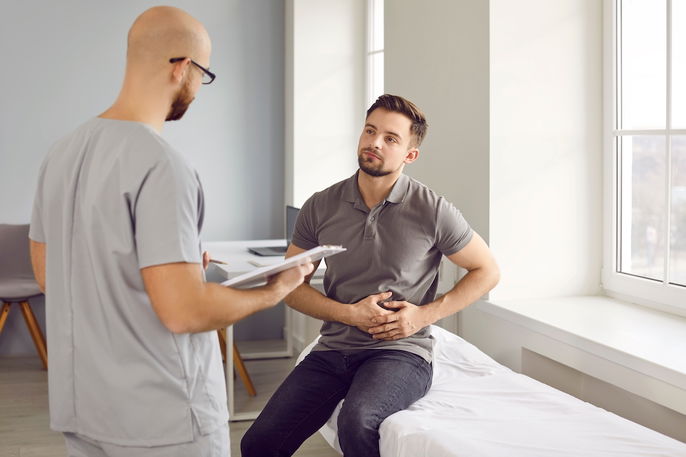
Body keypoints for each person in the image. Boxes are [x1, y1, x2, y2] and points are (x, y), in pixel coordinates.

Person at [28, 6, 312, 457]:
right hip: (162, 419)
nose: (199, 88)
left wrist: (166, 269)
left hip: (83, 409)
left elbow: (51, 277)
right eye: (204, 74)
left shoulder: (60, 154)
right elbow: (185, 312)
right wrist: (276, 291)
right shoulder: (163, 165)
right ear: (182, 68)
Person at [241, 94, 500, 457]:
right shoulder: (320, 205)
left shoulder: (434, 210)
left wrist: (424, 315)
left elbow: (487, 271)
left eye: (391, 138)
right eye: (370, 131)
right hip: (333, 349)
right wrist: (349, 314)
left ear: (410, 155)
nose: (374, 142)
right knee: (258, 443)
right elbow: (288, 285)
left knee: (358, 421)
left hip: (400, 353)